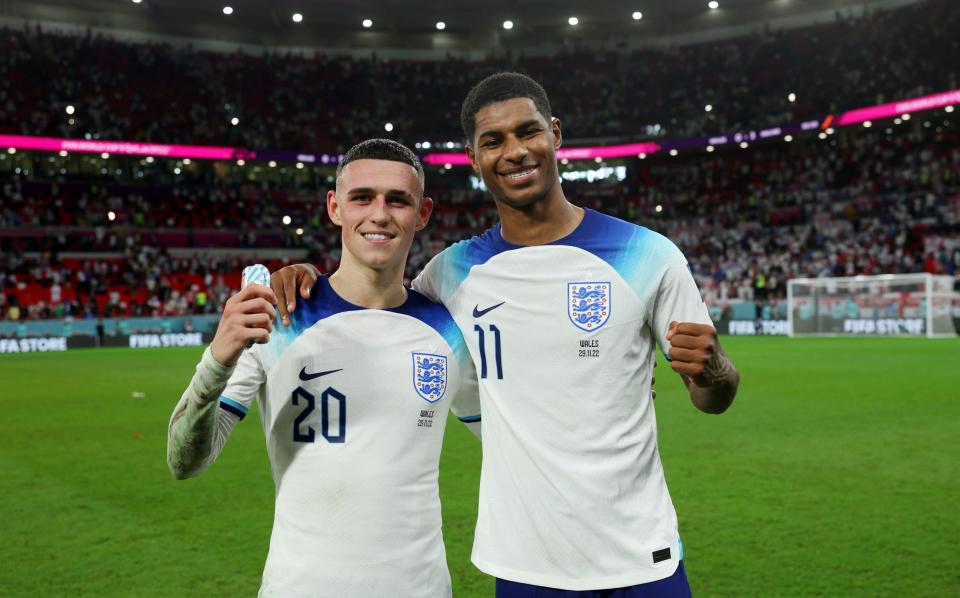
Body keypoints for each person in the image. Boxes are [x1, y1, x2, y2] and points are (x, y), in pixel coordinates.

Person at [273, 73, 740, 596]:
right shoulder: (451, 276)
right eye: (493, 141)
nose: (515, 151)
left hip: (641, 557)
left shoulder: (649, 255)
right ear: (474, 158)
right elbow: (373, 298)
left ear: (555, 135)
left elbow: (712, 398)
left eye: (528, 132)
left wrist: (714, 366)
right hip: (523, 566)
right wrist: (304, 277)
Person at [166, 139, 480, 597]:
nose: (379, 214)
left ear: (423, 212)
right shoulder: (277, 317)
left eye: (398, 200)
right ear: (335, 207)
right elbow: (184, 462)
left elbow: (510, 442)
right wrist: (217, 361)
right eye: (362, 197)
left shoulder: (449, 330)